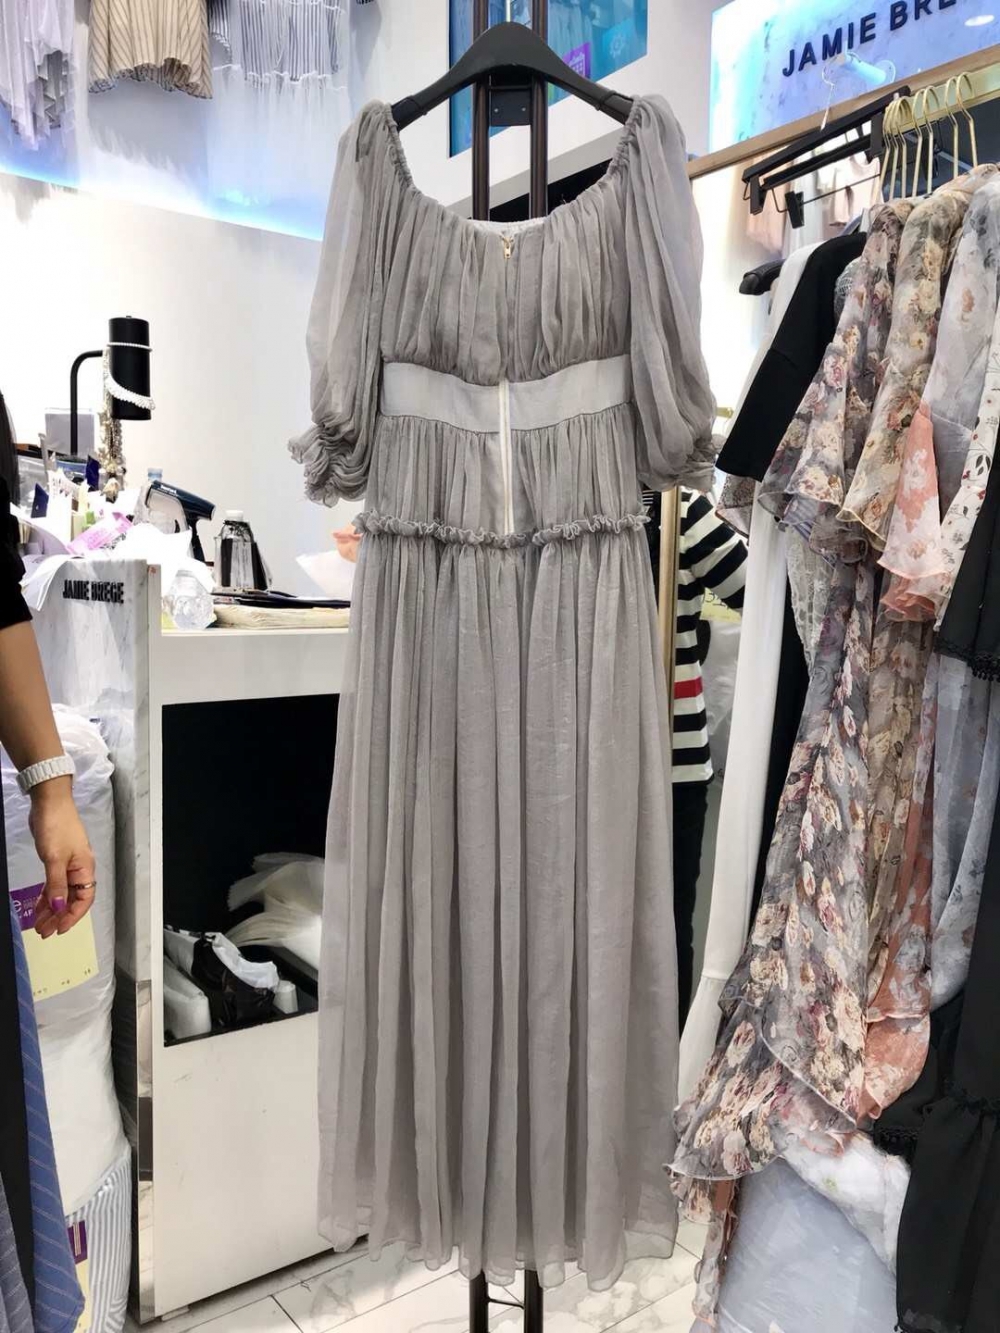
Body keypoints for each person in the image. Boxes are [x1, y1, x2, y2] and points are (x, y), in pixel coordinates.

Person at [671, 489, 747, 1024]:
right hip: (674, 756)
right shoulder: (682, 509)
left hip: (572, 759)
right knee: (669, 921)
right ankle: (658, 1054)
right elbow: (760, 594)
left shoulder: (549, 497)